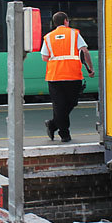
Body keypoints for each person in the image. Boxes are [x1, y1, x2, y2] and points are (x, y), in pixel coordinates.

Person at [40, 11, 94, 142]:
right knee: (71, 102)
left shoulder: (48, 37)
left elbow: (44, 57)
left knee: (59, 105)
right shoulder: (75, 34)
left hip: (54, 76)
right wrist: (90, 68)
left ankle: (53, 124)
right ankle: (64, 134)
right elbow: (85, 51)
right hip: (73, 75)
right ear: (65, 21)